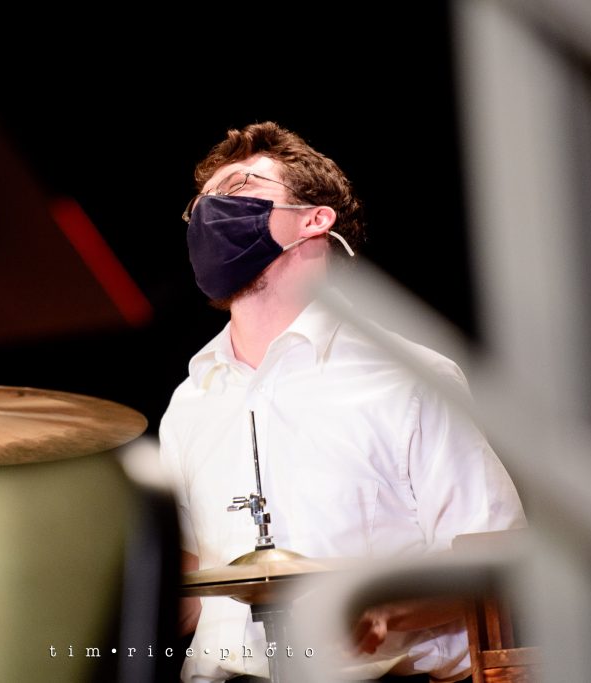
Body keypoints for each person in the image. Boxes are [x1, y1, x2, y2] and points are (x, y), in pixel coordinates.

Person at [158, 122, 526, 683]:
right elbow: (192, 581)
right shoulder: (191, 399)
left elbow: (494, 560)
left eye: (241, 188)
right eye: (201, 203)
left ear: (314, 219)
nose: (211, 211)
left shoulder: (409, 378)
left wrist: (382, 609)